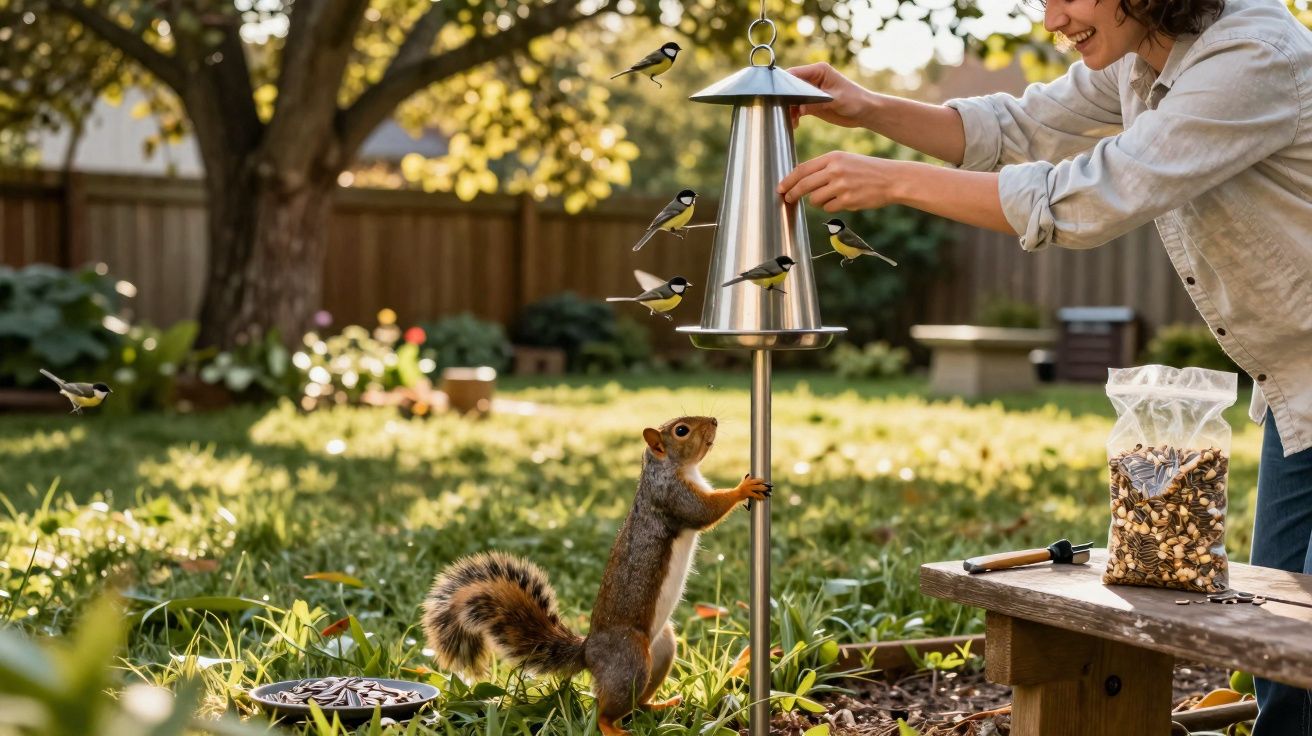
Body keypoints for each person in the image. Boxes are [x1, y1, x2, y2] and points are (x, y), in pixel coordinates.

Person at [777, 0, 1312, 732]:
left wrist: (895, 181)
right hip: (1297, 389)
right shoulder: (1142, 53)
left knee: (1299, 639)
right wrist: (867, 107)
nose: (1053, 16)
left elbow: (1087, 197)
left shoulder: (1250, 57)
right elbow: (1017, 125)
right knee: (1277, 662)